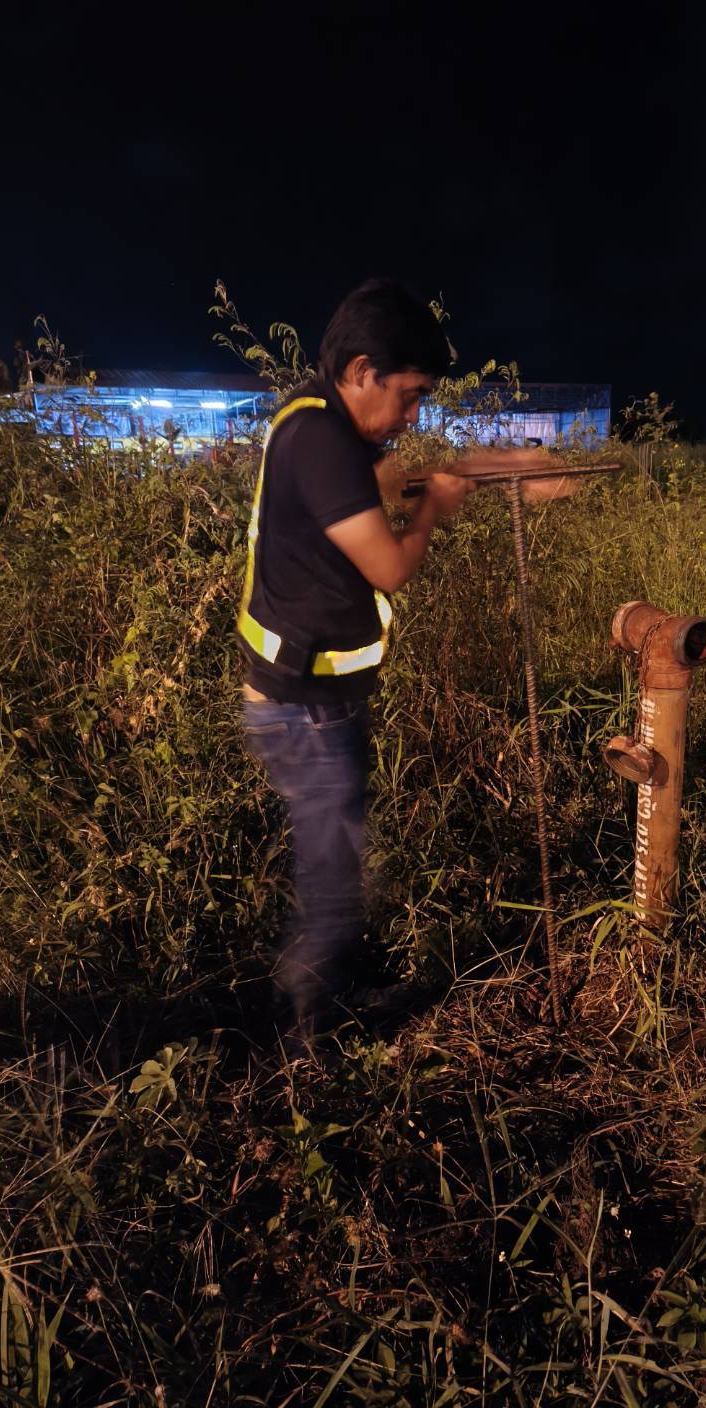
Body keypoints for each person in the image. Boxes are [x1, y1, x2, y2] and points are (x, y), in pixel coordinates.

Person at [237, 279, 555, 1048]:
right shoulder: (323, 444)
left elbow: (384, 477)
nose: (413, 416)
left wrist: (502, 466)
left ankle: (336, 984)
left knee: (339, 852)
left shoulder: (318, 419)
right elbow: (389, 566)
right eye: (409, 396)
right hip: (305, 706)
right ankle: (310, 1032)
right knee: (331, 871)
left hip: (313, 696)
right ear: (361, 372)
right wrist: (433, 510)